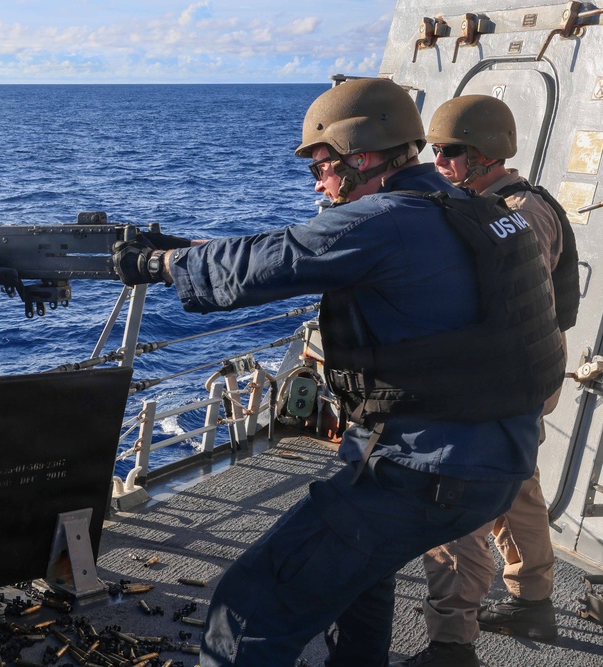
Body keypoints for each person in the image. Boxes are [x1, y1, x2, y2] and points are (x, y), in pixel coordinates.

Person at [111, 77, 566, 667]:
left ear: (364, 157)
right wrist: (189, 249)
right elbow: (303, 246)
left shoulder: (382, 221)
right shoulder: (469, 208)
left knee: (249, 609)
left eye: (322, 166)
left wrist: (161, 263)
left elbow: (274, 262)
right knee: (359, 576)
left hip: (429, 470)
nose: (317, 181)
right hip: (495, 458)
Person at [392, 94, 580, 667]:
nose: (438, 161)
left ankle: (452, 639)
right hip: (529, 367)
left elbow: (510, 299)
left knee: (458, 492)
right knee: (516, 484)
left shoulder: (517, 212)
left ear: (484, 154)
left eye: (448, 152)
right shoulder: (511, 203)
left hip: (506, 372)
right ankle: (533, 601)